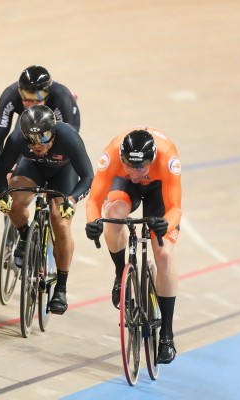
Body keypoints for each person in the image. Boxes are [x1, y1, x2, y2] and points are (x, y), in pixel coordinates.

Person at [84, 127, 182, 364]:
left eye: (141, 167)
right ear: (122, 157)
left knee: (165, 256)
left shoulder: (168, 156)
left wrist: (165, 225)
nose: (135, 171)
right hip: (124, 187)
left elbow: (175, 207)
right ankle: (121, 274)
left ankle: (167, 335)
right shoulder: (112, 154)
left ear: (152, 159)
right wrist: (92, 223)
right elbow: (95, 200)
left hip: (158, 191)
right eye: (129, 164)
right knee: (114, 215)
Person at [0, 105, 93, 314]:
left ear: (53, 132)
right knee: (13, 199)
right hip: (32, 169)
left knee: (61, 223)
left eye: (44, 138)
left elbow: (87, 177)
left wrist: (72, 200)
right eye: (32, 140)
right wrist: (3, 196)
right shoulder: (17, 139)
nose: (38, 145)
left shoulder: (68, 137)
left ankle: (61, 288)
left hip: (62, 174)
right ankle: (24, 234)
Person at [0, 65, 80, 190]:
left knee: (58, 147)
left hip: (60, 118)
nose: (30, 102)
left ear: (47, 92)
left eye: (37, 98)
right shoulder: (10, 95)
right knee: (21, 138)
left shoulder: (61, 97)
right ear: (19, 90)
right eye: (25, 96)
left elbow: (66, 139)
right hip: (30, 119)